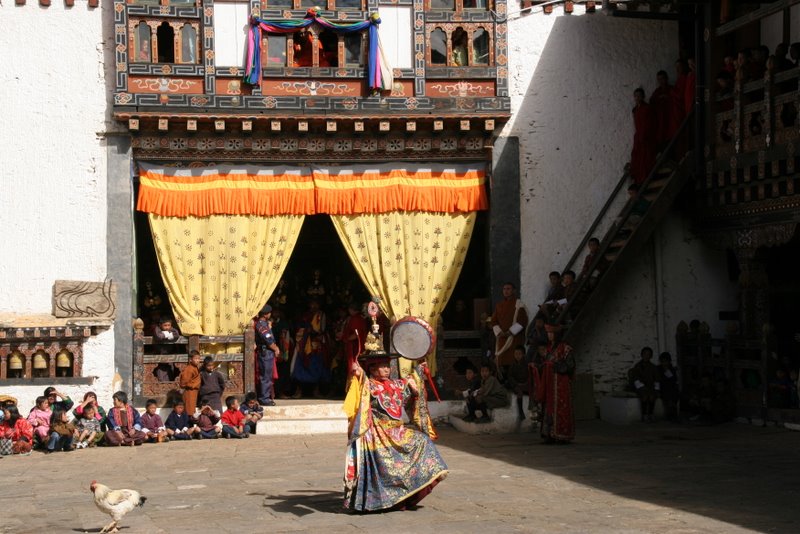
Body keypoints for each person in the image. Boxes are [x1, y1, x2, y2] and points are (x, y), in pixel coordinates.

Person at [343, 355, 448, 512]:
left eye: (388, 366)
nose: (387, 369)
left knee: (422, 441)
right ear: (372, 369)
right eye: (383, 366)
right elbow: (359, 389)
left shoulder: (395, 384)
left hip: (397, 431)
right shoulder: (369, 385)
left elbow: (410, 385)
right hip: (378, 434)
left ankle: (411, 492)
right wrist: (357, 374)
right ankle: (380, 500)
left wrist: (419, 371)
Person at [533, 324, 575, 443]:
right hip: (549, 384)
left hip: (561, 384)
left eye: (551, 333)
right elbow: (545, 363)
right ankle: (549, 434)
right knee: (548, 408)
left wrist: (554, 366)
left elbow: (570, 366)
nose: (549, 335)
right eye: (548, 333)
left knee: (560, 408)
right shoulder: (549, 349)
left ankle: (562, 434)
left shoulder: (565, 348)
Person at [292, 299, 330, 398]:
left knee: (317, 368)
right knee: (301, 367)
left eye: (315, 303)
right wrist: (305, 332)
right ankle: (298, 391)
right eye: (311, 303)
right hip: (304, 345)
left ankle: (316, 391)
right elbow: (299, 327)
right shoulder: (305, 315)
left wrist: (312, 331)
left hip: (316, 345)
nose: (313, 306)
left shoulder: (321, 315)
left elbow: (322, 329)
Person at [491, 282, 529, 376]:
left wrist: (510, 332)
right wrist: (499, 332)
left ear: (514, 290)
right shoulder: (499, 305)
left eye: (508, 289)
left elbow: (522, 321)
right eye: (504, 289)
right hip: (502, 338)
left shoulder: (519, 305)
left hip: (514, 338)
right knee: (502, 364)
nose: (506, 291)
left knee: (514, 362)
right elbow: (494, 321)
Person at [255, 305, 280, 406]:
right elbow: (268, 339)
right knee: (265, 376)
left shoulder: (265, 324)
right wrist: (276, 348)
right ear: (266, 314)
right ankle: (264, 398)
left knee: (268, 375)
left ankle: (265, 396)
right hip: (266, 353)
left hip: (267, 352)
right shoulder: (261, 325)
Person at [630, 87, 655, 184]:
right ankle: (638, 179)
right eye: (636, 96)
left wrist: (644, 135)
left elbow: (649, 123)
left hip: (646, 137)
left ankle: (646, 179)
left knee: (646, 158)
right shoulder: (635, 110)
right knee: (637, 157)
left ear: (643, 97)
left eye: (639, 96)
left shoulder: (647, 108)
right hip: (638, 137)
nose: (637, 98)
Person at [630, 347, 659, 422]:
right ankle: (644, 415)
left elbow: (656, 379)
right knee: (645, 395)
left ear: (651, 356)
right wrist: (642, 387)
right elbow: (635, 379)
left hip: (650, 386)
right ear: (642, 355)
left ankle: (651, 413)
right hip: (640, 387)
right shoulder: (638, 366)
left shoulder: (653, 367)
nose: (646, 356)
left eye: (648, 354)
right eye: (645, 354)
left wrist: (656, 389)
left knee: (652, 396)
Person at [650, 70, 676, 152]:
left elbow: (677, 100)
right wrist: (659, 99)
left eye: (662, 79)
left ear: (666, 78)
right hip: (660, 122)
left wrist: (668, 97)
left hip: (671, 119)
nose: (661, 81)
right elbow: (652, 103)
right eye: (659, 79)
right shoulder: (657, 92)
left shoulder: (672, 89)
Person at [341, 302, 367, 378]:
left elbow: (356, 334)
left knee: (355, 367)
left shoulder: (355, 319)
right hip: (361, 346)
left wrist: (346, 339)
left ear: (351, 309)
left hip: (355, 347)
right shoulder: (361, 318)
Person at [505, 346, 531, 420]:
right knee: (519, 392)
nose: (517, 356)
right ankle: (521, 412)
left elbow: (530, 375)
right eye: (516, 354)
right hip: (516, 384)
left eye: (519, 354)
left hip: (525, 384)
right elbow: (510, 376)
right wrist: (516, 384)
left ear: (523, 355)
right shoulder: (513, 364)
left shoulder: (527, 364)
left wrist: (525, 383)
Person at [179, 350, 202, 417]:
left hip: (194, 392)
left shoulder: (195, 368)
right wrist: (193, 385)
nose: (197, 360)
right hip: (189, 393)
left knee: (192, 411)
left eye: (198, 358)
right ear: (191, 359)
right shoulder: (189, 369)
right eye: (196, 358)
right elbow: (183, 383)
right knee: (189, 412)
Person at [658, 352, 679, 421]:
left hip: (672, 389)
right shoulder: (659, 369)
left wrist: (667, 371)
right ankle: (670, 414)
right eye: (663, 362)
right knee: (668, 396)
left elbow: (673, 379)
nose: (664, 363)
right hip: (663, 389)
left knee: (673, 395)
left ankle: (673, 413)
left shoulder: (671, 369)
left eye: (666, 361)